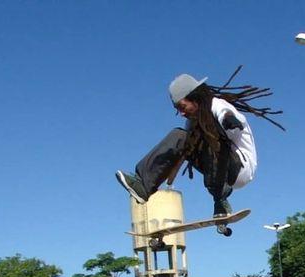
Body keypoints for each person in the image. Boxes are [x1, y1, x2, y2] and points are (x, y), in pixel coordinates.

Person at [115, 67, 283, 217]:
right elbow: (181, 150)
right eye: (177, 110)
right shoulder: (192, 123)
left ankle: (220, 197)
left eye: (182, 107)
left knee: (211, 136)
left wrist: (229, 121)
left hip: (240, 168)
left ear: (195, 98)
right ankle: (144, 186)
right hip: (218, 170)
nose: (181, 113)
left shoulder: (216, 104)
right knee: (179, 135)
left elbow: (225, 113)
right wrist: (168, 177)